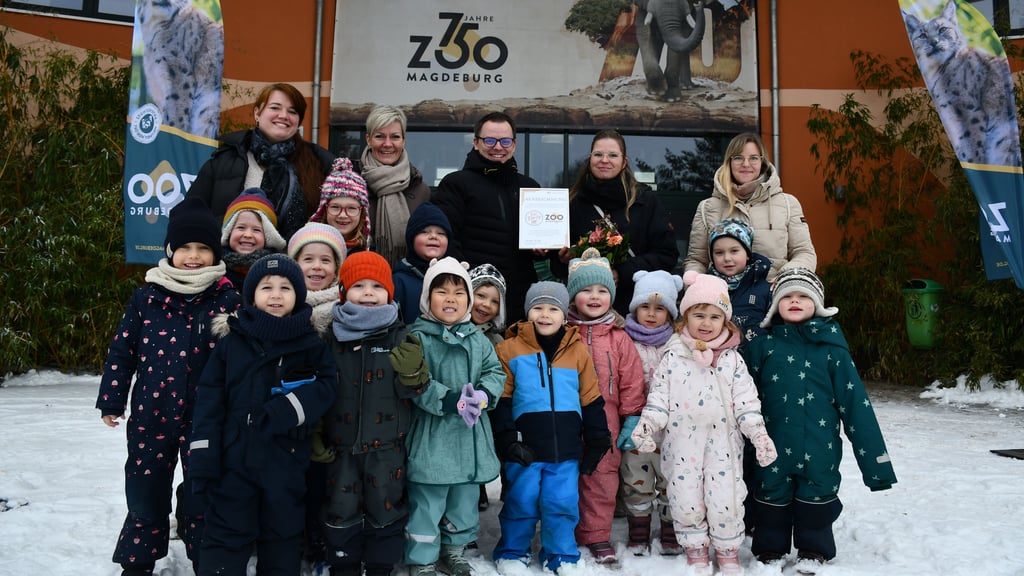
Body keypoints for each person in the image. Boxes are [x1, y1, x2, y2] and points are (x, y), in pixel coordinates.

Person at [97, 198, 240, 576]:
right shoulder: (147, 298)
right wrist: (111, 398)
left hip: (207, 417)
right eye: (185, 248)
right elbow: (122, 351)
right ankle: (138, 559)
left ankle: (205, 555)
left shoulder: (228, 299)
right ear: (170, 251)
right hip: (152, 411)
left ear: (215, 252)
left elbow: (241, 361)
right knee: (145, 485)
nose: (193, 257)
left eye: (203, 248)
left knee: (202, 488)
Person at [189, 254, 337, 576]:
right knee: (225, 536)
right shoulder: (232, 342)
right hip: (234, 463)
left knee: (282, 537)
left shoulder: (309, 343)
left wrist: (290, 408)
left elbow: (327, 386)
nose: (275, 294)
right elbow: (209, 401)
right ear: (251, 295)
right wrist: (203, 456)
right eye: (266, 287)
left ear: (298, 295)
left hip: (285, 463)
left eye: (285, 287)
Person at [743, 268, 896, 572]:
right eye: (787, 296)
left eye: (803, 296)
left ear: (817, 303)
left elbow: (856, 407)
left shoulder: (833, 352)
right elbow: (742, 398)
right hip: (771, 445)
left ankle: (814, 549)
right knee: (770, 491)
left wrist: (877, 467)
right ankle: (769, 549)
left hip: (820, 446)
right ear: (775, 306)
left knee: (818, 494)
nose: (795, 301)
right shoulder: (762, 348)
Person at [630, 271, 778, 576]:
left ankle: (726, 550)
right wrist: (647, 425)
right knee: (685, 500)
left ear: (726, 321)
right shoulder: (673, 356)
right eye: (699, 315)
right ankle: (695, 548)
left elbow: (747, 403)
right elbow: (659, 398)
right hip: (682, 444)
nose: (706, 323)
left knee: (727, 498)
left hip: (723, 446)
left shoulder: (732, 360)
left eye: (714, 316)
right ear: (686, 317)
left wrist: (759, 435)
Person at [490, 281, 611, 575]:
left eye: (553, 309)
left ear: (564, 314)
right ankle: (512, 551)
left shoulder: (577, 351)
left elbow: (591, 398)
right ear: (527, 312)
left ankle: (561, 553)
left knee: (562, 503)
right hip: (525, 447)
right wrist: (507, 438)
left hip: (566, 448)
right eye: (538, 308)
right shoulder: (509, 349)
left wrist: (597, 437)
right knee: (521, 501)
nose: (545, 315)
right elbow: (502, 400)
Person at [399, 257, 505, 576]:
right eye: (441, 291)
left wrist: (484, 394)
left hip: (470, 438)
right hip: (433, 435)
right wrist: (448, 400)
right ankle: (422, 559)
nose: (450, 299)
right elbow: (414, 381)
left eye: (459, 293)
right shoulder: (417, 337)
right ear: (427, 298)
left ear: (468, 301)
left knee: (462, 501)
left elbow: (495, 371)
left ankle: (454, 550)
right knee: (428, 504)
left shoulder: (477, 339)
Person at [319, 251, 421, 576]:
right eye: (358, 285)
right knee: (340, 507)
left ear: (389, 293)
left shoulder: (402, 336)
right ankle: (342, 563)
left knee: (386, 507)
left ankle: (380, 565)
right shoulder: (329, 337)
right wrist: (315, 432)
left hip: (388, 451)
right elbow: (319, 391)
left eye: (377, 286)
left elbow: (415, 392)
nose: (367, 293)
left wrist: (413, 374)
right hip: (341, 448)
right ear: (343, 292)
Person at [565, 247, 644, 565]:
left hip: (608, 418)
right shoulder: (562, 331)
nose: (594, 296)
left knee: (602, 476)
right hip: (567, 418)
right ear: (572, 297)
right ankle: (565, 531)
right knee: (567, 476)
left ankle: (597, 535)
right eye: (585, 290)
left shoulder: (619, 337)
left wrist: (631, 417)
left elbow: (632, 379)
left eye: (602, 290)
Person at [553, 129, 679, 316]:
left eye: (612, 155)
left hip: (635, 311)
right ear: (590, 159)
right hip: (585, 311)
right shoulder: (573, 203)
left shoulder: (645, 201)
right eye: (598, 154)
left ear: (624, 162)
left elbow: (667, 255)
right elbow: (557, 267)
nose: (604, 160)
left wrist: (623, 272)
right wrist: (563, 259)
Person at [432, 112, 542, 326]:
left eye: (505, 141)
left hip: (517, 298)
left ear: (514, 144)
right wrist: (468, 285)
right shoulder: (456, 184)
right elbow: (448, 239)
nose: (498, 147)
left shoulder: (530, 187)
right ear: (476, 142)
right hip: (475, 299)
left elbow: (539, 245)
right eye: (489, 140)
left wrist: (543, 249)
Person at [186, 82, 336, 240]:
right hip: (226, 261)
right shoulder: (225, 158)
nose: (284, 116)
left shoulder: (319, 163)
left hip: (292, 262)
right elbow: (191, 212)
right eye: (275, 107)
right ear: (257, 113)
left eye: (292, 111)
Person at [684, 132, 816, 280]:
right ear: (729, 162)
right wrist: (695, 283)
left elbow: (804, 253)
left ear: (762, 162)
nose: (746, 164)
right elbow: (697, 260)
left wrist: (784, 278)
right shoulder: (707, 208)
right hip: (723, 298)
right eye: (738, 157)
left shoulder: (788, 204)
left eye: (753, 158)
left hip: (774, 297)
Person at [617, 270, 683, 556]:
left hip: (670, 430)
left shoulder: (678, 344)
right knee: (636, 480)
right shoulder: (624, 340)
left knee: (671, 480)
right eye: (645, 306)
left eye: (660, 308)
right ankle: (639, 531)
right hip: (635, 425)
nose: (652, 314)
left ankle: (670, 529)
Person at [357, 104, 431, 266]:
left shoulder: (420, 189)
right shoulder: (351, 182)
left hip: (405, 275)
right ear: (368, 139)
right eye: (380, 136)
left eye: (395, 137)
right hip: (360, 276)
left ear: (403, 140)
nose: (388, 144)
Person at [467, 263, 508, 513]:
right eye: (480, 295)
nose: (485, 305)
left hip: (487, 405)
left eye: (494, 301)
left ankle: (485, 487)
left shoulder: (496, 340)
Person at [706, 217, 772, 341]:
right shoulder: (705, 287)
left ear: (747, 254)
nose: (727, 258)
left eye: (734, 251)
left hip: (754, 355)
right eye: (719, 253)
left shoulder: (764, 288)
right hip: (715, 357)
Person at [392, 202, 452, 323]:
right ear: (411, 239)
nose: (434, 236)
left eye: (441, 233)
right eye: (425, 232)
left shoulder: (454, 279)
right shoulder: (398, 281)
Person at [287, 222, 347, 336]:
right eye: (308, 259)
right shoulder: (281, 302)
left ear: (336, 269)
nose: (317, 266)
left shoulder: (345, 309)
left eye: (325, 260)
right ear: (294, 264)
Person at [220, 188, 287, 287]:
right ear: (228, 232)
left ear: (268, 237)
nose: (248, 235)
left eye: (256, 230)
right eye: (241, 227)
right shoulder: (217, 268)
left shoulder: (276, 268)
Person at [310, 157, 372, 255]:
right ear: (324, 209)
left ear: (362, 212)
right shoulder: (309, 245)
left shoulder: (368, 251)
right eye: (335, 207)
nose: (343, 215)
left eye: (351, 208)